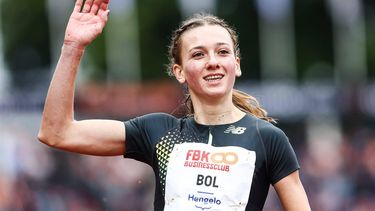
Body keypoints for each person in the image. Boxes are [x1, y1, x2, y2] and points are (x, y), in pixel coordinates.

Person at [38, 0, 311, 210]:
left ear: (236, 65)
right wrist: (73, 47)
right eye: (198, 54)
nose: (213, 61)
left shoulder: (267, 139)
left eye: (223, 51)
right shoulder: (160, 131)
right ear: (179, 72)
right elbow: (57, 132)